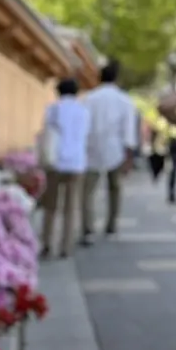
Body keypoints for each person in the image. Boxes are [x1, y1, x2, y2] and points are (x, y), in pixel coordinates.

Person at [81, 60, 140, 244]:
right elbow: (128, 129)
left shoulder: (89, 99)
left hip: (91, 147)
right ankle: (111, 225)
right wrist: (129, 154)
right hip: (116, 149)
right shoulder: (124, 100)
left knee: (87, 192)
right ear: (116, 78)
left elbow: (83, 126)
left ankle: (88, 228)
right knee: (115, 188)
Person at [40, 78, 90, 259]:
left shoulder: (53, 109)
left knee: (51, 206)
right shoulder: (84, 111)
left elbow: (46, 135)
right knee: (70, 207)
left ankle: (47, 244)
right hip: (76, 163)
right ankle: (65, 247)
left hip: (55, 162)